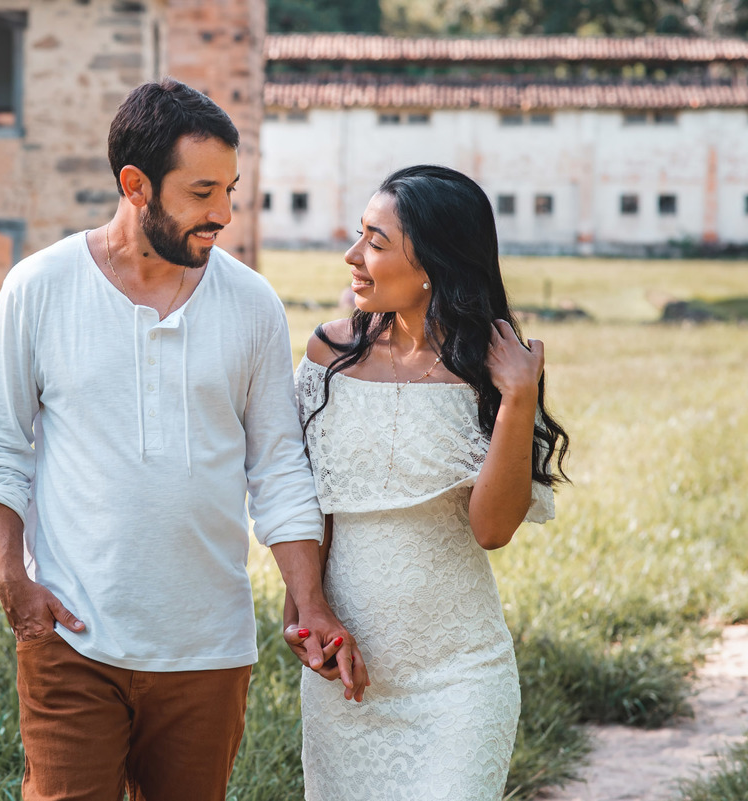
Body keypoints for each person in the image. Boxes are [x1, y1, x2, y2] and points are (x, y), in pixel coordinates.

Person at [0, 78, 365, 801]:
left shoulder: (252, 304)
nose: (223, 214)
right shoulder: (39, 286)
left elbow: (278, 466)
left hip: (208, 649)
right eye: (202, 192)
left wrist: (309, 600)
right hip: (72, 637)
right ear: (135, 185)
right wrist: (11, 578)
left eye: (230, 190)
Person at [283, 164, 570, 799]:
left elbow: (492, 530)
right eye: (360, 235)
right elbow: (308, 500)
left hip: (461, 678)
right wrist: (303, 614)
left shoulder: (497, 372)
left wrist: (518, 398)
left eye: (376, 242)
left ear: (433, 265)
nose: (353, 256)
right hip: (346, 674)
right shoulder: (328, 356)